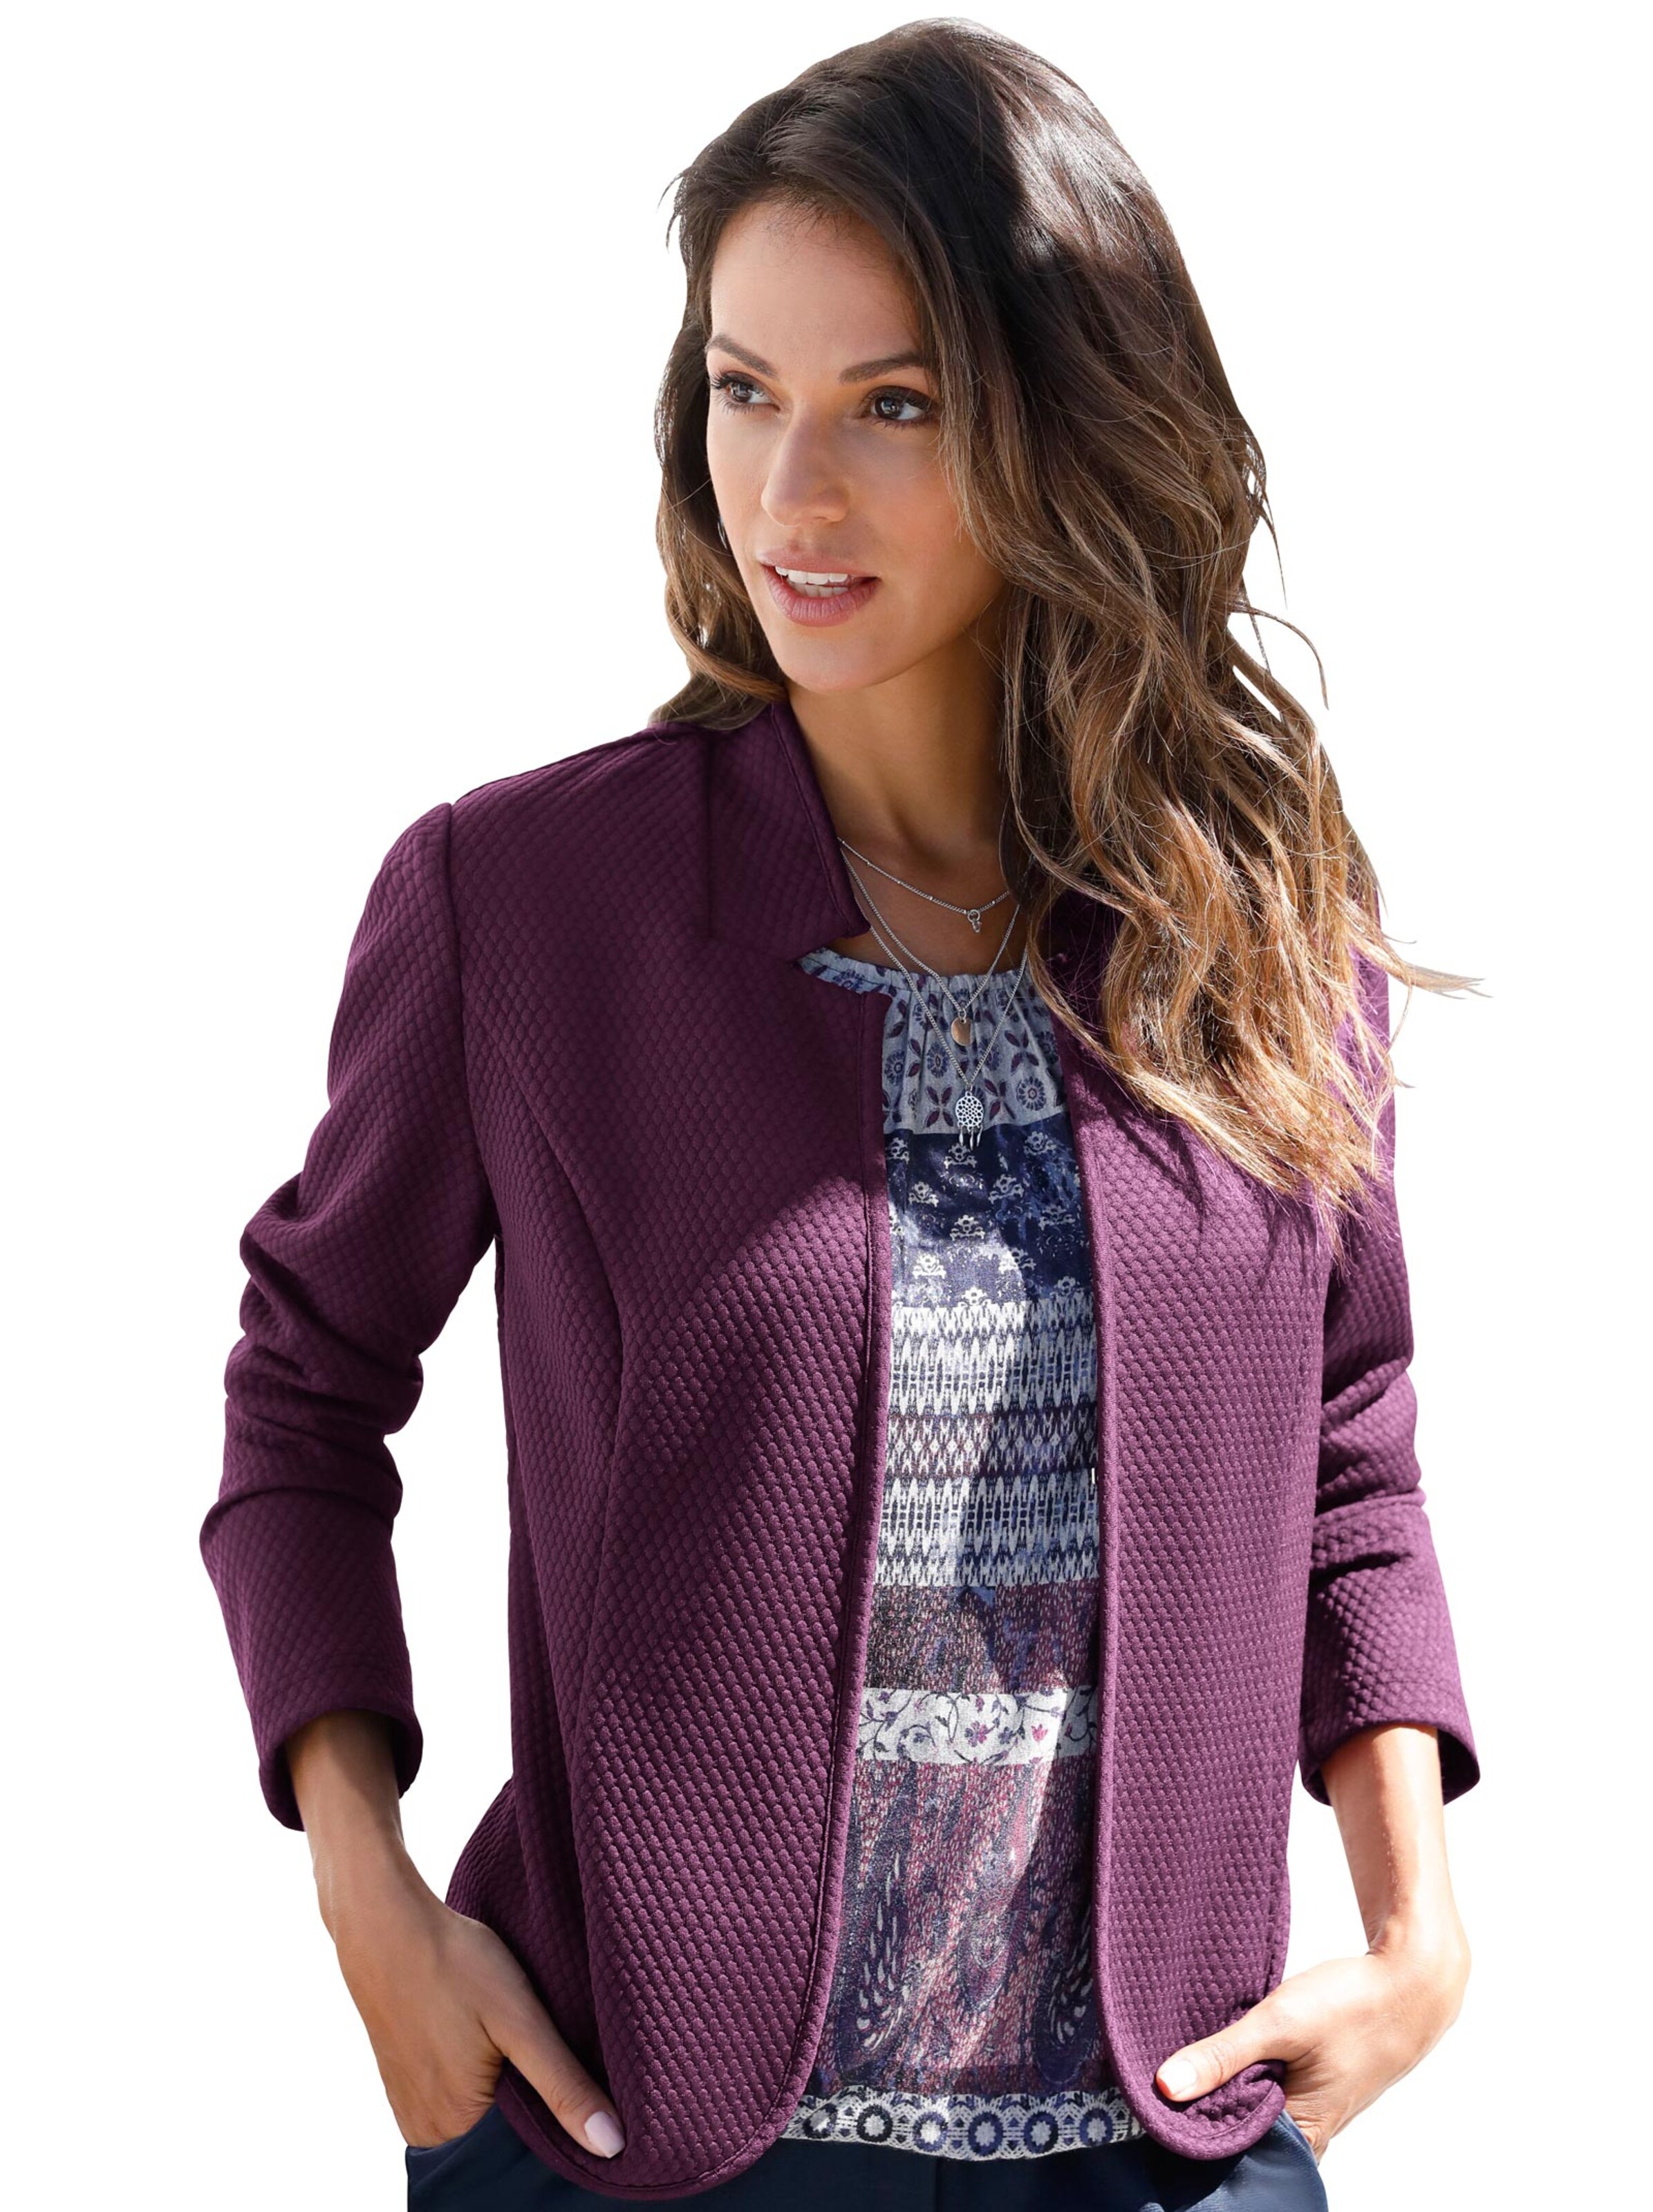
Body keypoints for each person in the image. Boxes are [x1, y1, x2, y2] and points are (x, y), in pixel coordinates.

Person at [200, 22, 1480, 2210]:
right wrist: (367, 1898)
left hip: (1159, 2145)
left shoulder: (1258, 921)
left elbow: (1348, 1439)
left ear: (1065, 421)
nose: (791, 495)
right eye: (744, 389)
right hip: (645, 2142)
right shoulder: (524, 900)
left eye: (896, 405)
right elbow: (306, 1397)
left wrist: (1416, 1930)